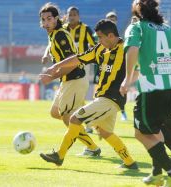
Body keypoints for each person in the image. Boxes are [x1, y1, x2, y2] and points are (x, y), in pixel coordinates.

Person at [120, 0, 171, 186]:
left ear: (138, 12)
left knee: (141, 133)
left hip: (151, 88)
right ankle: (157, 173)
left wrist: (127, 77)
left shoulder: (137, 28)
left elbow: (132, 49)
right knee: (156, 130)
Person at [39, 19, 138, 169]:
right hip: (102, 97)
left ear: (111, 36)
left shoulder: (126, 50)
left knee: (75, 118)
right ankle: (130, 163)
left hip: (112, 98)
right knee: (105, 132)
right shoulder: (100, 49)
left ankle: (60, 155)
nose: (98, 41)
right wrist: (56, 66)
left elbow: (137, 69)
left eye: (100, 37)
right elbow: (78, 58)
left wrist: (128, 82)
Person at [39, 2, 101, 156]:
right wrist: (47, 55)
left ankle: (92, 148)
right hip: (67, 80)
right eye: (43, 19)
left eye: (49, 19)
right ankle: (86, 117)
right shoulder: (53, 33)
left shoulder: (60, 34)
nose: (46, 22)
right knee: (55, 112)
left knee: (67, 118)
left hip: (75, 79)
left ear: (56, 19)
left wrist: (52, 76)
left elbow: (72, 62)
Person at [130, 16, 171, 165]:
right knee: (160, 119)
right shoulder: (146, 46)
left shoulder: (166, 35)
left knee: (166, 116)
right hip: (160, 85)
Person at [63, 6, 96, 133]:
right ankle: (87, 120)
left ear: (78, 16)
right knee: (75, 97)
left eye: (74, 14)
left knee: (80, 95)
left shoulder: (86, 29)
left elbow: (94, 45)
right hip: (67, 66)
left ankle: (87, 122)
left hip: (83, 65)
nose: (72, 17)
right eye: (70, 14)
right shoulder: (63, 29)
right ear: (67, 15)